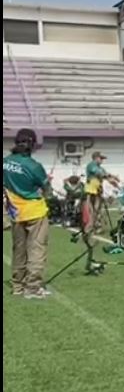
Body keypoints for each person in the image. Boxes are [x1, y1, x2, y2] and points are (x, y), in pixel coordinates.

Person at [3, 128, 52, 298]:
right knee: (37, 250)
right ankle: (32, 288)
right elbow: (46, 189)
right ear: (31, 144)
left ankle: (17, 286)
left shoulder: (5, 162)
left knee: (19, 251)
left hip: (15, 213)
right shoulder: (35, 166)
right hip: (35, 212)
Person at [83, 151, 120, 236]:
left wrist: (116, 184)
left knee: (97, 209)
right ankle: (89, 227)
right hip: (91, 188)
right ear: (96, 158)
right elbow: (101, 174)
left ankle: (96, 226)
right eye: (101, 158)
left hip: (98, 188)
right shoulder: (91, 165)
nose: (102, 161)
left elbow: (107, 178)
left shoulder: (101, 168)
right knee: (91, 210)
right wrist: (113, 177)